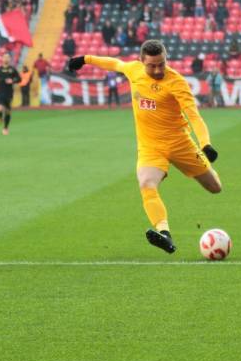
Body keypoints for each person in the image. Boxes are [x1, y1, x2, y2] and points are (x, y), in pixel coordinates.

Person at [67, 39, 221, 254]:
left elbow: (194, 116)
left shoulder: (176, 82)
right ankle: (164, 234)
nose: (158, 69)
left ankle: (203, 170)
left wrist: (206, 144)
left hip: (181, 144)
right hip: (150, 146)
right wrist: (84, 59)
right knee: (146, 183)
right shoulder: (134, 70)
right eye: (152, 65)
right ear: (141, 61)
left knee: (215, 187)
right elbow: (114, 64)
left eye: (161, 64)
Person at [0, 53, 21, 136]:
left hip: (9, 93)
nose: (6, 58)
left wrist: (12, 81)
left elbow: (19, 79)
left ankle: (5, 128)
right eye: (5, 57)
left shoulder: (12, 69)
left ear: (10, 59)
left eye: (8, 57)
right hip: (0, 92)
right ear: (2, 59)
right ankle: (0, 116)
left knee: (8, 111)